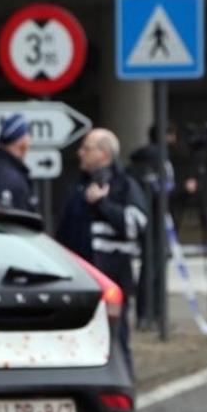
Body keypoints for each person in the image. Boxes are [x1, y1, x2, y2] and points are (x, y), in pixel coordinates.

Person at [56, 128, 148, 376]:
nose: (80, 153)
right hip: (78, 282)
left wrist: (103, 204)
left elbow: (135, 226)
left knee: (115, 341)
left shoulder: (125, 186)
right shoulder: (78, 187)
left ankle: (120, 388)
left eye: (86, 149)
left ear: (104, 153)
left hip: (112, 282)